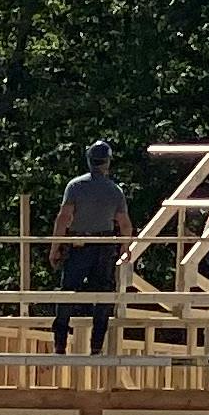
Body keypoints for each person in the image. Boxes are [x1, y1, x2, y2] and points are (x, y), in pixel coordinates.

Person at [51, 138, 134, 354]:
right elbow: (124, 224)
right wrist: (125, 248)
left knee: (68, 291)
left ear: (89, 161)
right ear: (107, 162)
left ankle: (60, 342)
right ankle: (96, 345)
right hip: (104, 245)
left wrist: (55, 246)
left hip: (79, 243)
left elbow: (63, 218)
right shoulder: (115, 191)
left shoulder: (76, 186)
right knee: (103, 294)